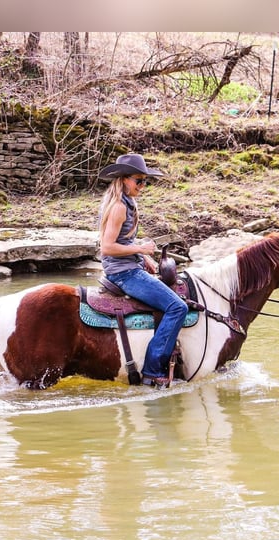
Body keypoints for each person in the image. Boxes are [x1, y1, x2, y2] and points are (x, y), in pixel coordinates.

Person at [97, 153, 188, 387]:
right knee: (177, 307)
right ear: (124, 179)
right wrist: (141, 248)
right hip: (124, 273)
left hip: (130, 265)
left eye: (145, 181)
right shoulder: (118, 207)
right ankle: (153, 370)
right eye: (139, 180)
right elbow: (107, 246)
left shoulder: (126, 203)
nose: (143, 186)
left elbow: (122, 242)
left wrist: (141, 256)